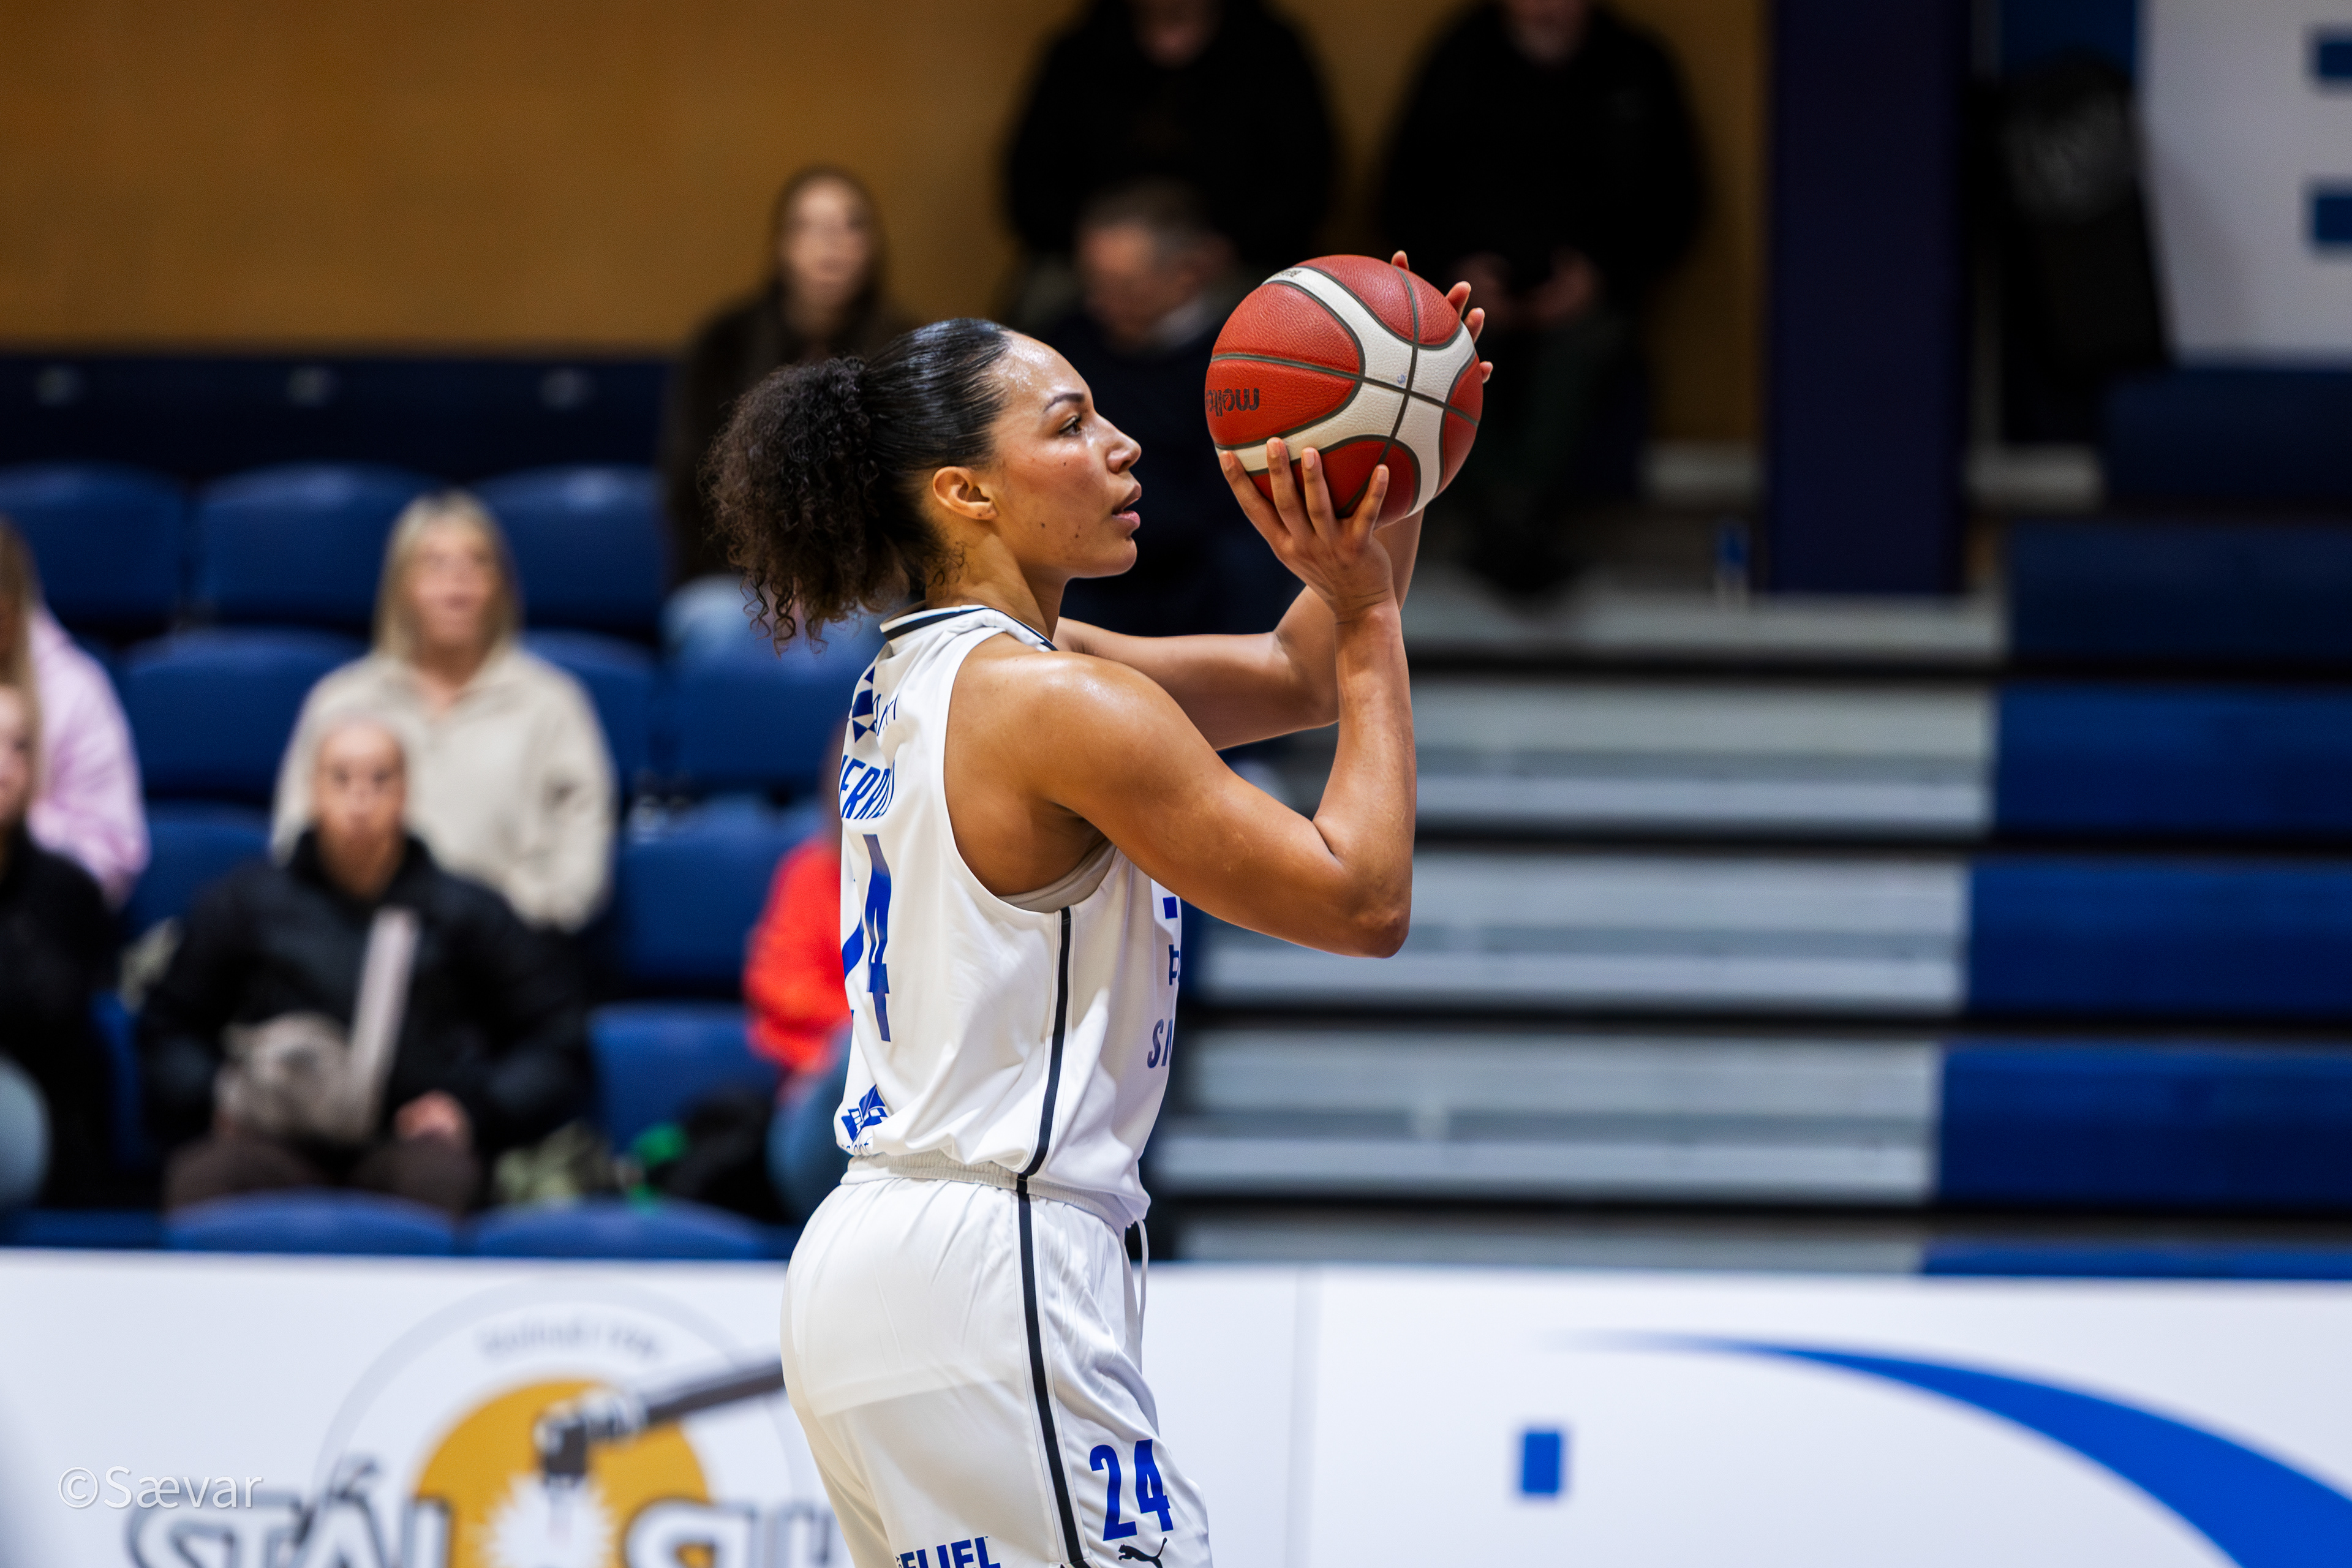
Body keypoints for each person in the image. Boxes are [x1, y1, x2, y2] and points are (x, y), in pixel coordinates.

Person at [710, 282, 1483, 1566]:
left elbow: (1296, 677)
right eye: (1069, 425)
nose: (1122, 445)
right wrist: (1371, 615)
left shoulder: (929, 674)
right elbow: (1362, 898)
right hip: (993, 1256)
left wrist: (1397, 446)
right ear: (965, 492)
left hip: (874, 1265)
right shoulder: (1057, 705)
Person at [144, 718, 594, 1216]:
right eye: (341, 779)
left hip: (407, 1144)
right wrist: (215, 1096)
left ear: (406, 794)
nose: (360, 799)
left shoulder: (467, 912)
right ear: (312, 791)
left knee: (442, 1180)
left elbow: (555, 1033)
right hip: (270, 1138)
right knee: (204, 1179)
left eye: (380, 780)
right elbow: (167, 1024)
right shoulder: (244, 904)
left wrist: (473, 1110)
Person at [1382, 0, 1700, 591]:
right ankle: (1505, 521)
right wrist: (1460, 268)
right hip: (1468, 290)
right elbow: (1402, 192)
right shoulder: (1461, 57)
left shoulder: (1635, 66)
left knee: (1580, 350)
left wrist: (1600, 274)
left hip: (1591, 296)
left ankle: (1516, 518)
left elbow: (1676, 203)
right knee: (1452, 347)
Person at [272, 492, 614, 933]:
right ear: (401, 585)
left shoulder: (553, 703)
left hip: (505, 945)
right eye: (435, 564)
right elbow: (294, 840)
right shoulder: (340, 701)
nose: (458, 582)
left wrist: (490, 921)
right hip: (359, 938)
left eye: (478, 562)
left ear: (501, 585)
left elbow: (579, 866)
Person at [662, 167, 918, 650]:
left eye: (851, 226)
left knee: (860, 633)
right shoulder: (726, 345)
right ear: (782, 245)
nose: (832, 245)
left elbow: (917, 490)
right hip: (734, 580)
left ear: (873, 245)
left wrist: (841, 578)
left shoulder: (905, 350)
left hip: (870, 584)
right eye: (811, 227)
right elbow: (690, 484)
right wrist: (771, 576)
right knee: (714, 627)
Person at [1045, 181, 1292, 638]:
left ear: (1190, 273)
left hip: (1196, 563)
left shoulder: (1243, 360)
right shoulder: (1067, 340)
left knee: (1249, 560)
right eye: (1090, 281)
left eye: (1122, 286)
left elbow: (1234, 497)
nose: (1097, 302)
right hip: (1089, 555)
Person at [1003, 0, 1336, 325]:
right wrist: (1097, 249)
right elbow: (1030, 183)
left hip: (1233, 258)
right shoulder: (1079, 51)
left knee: (1278, 322)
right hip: (1093, 259)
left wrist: (1226, 248)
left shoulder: (1269, 49)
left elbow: (1306, 183)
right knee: (1034, 314)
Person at [0, 673, 118, 1210]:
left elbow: (62, 1018)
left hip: (42, 1118)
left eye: (19, 747)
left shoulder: (70, 892)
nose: (4, 765)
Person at [0, 518, 147, 906]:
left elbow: (114, 857)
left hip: (37, 919)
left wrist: (17, 832)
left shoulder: (76, 690)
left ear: (10, 612)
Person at [741, 722, 855, 1220]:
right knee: (859, 1052)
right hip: (816, 1109)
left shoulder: (939, 888)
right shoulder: (808, 873)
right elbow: (779, 988)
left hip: (921, 1110)